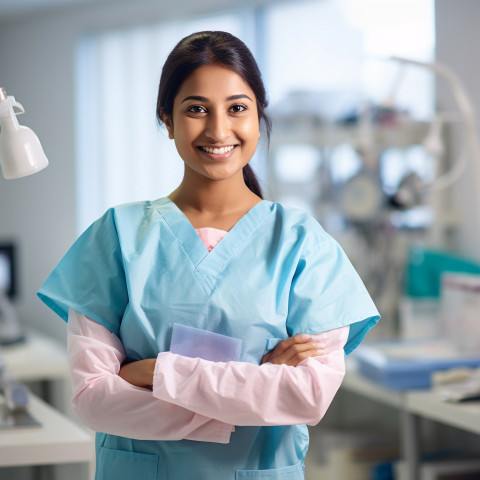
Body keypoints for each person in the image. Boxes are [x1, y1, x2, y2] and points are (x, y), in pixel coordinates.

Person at [38, 31, 379, 480]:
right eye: (196, 109)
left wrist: (159, 371)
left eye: (237, 108)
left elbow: (306, 397)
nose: (219, 130)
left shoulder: (302, 245)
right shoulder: (116, 237)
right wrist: (252, 388)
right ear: (167, 119)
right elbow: (94, 400)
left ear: (259, 116)